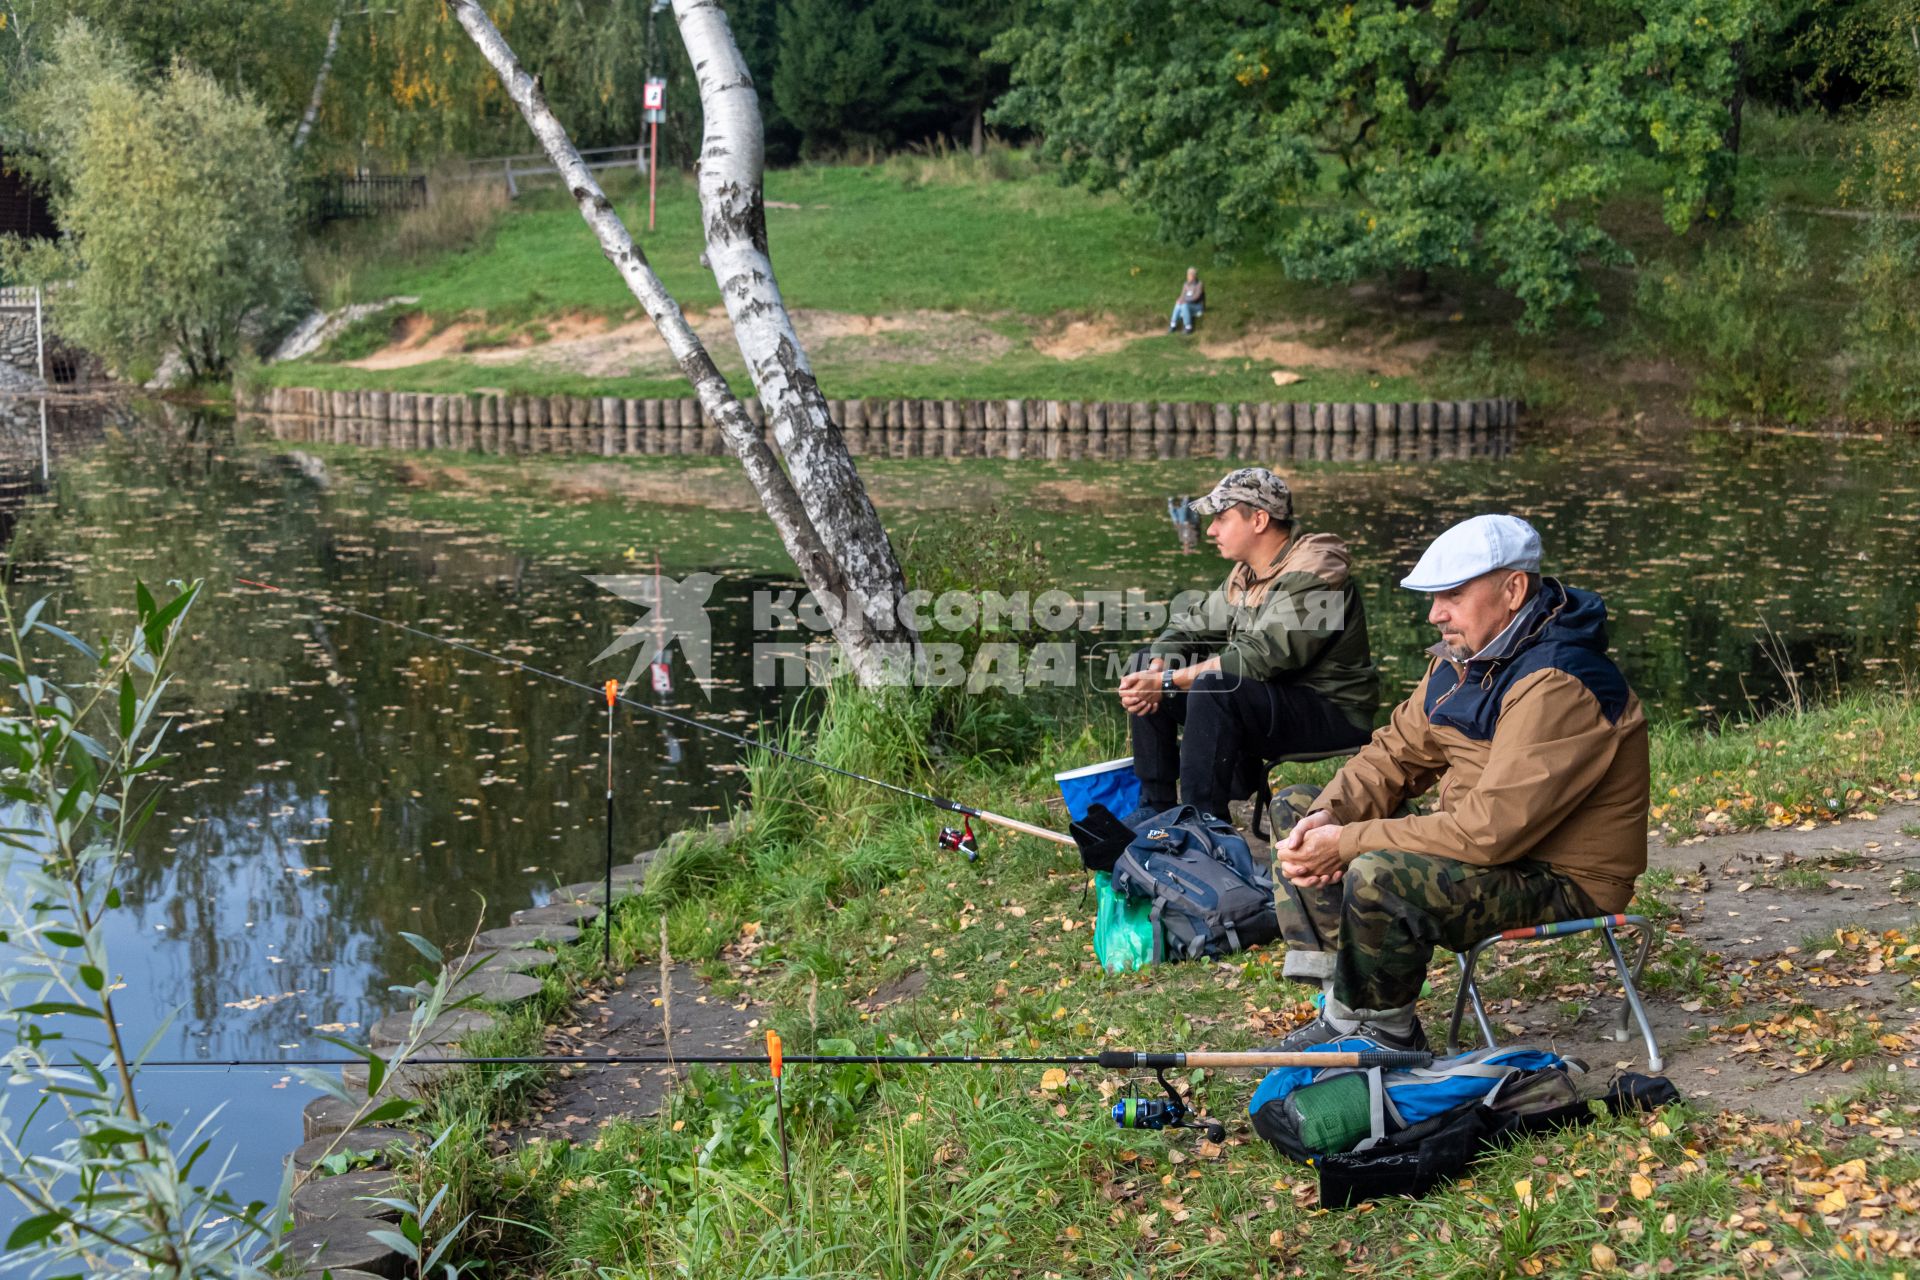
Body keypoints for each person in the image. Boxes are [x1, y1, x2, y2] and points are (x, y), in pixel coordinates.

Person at [1269, 514, 1650, 1051]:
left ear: (1513, 589)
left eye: (1451, 594)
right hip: (1486, 847)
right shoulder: (1464, 659)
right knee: (1297, 810)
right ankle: (1343, 1002)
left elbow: (1489, 833)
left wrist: (1349, 844)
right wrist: (1330, 817)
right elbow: (1393, 754)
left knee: (1380, 871)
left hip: (1560, 876)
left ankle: (1385, 1034)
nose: (1435, 614)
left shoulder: (1560, 681)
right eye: (1433, 597)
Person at [1119, 467, 1378, 825]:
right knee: (1145, 661)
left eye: (1222, 518)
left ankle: (1203, 825)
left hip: (1330, 710)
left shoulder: (1315, 573)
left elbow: (1260, 659)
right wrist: (1158, 667)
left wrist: (1167, 683)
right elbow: (1191, 627)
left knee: (1214, 687)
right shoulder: (1247, 574)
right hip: (1269, 701)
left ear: (1259, 519)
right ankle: (1157, 806)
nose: (1210, 530)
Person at [1168, 267, 1205, 334]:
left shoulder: (1199, 284)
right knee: (1178, 304)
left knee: (1184, 305)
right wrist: (1180, 299)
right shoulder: (1185, 284)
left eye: (1189, 275)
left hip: (1197, 306)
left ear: (1194, 276)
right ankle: (1173, 324)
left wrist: (1185, 300)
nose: (1188, 277)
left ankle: (1188, 327)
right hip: (1188, 304)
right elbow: (1182, 295)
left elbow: (1196, 297)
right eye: (1187, 275)